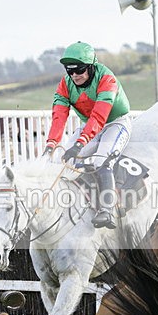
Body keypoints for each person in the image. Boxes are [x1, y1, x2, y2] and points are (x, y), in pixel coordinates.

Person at [43, 41, 132, 229]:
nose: (75, 75)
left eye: (80, 70)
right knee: (63, 160)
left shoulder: (107, 79)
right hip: (90, 125)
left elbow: (100, 115)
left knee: (102, 161)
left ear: (91, 67)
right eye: (70, 71)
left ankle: (107, 210)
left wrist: (80, 143)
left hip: (115, 123)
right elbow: (59, 116)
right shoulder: (65, 84)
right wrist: (51, 145)